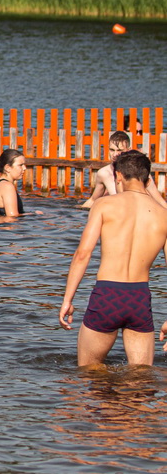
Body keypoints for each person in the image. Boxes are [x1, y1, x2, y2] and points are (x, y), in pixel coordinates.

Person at [60, 151, 167, 367]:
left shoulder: (104, 205)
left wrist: (67, 300)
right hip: (139, 298)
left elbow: (83, 254)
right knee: (140, 378)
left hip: (107, 295)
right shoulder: (162, 215)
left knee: (90, 372)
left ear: (118, 176)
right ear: (147, 178)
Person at [81, 131, 167, 209]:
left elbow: (159, 200)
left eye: (120, 150)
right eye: (112, 150)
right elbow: (93, 200)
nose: (115, 154)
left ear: (128, 150)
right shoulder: (103, 173)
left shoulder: (138, 171)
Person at [0, 148, 27, 216]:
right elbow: (12, 217)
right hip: (7, 226)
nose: (24, 168)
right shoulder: (7, 186)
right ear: (8, 168)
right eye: (20, 165)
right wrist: (35, 215)